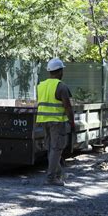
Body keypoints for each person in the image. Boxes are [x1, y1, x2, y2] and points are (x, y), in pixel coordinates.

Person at [36, 58, 75, 186]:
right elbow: (68, 107)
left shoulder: (41, 86)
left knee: (51, 149)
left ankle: (58, 174)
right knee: (56, 149)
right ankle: (51, 178)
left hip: (43, 121)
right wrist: (72, 122)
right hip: (57, 122)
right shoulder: (61, 86)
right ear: (60, 71)